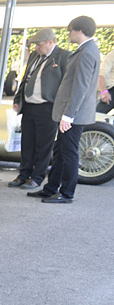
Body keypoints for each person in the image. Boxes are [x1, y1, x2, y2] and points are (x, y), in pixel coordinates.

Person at [30, 16, 102, 204]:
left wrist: (68, 115)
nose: (68, 34)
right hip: (71, 113)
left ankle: (67, 193)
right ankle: (51, 188)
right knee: (60, 151)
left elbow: (80, 87)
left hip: (74, 115)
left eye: (70, 30)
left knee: (69, 153)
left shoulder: (86, 52)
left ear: (79, 31)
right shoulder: (85, 50)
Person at [7, 28, 70, 190]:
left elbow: (66, 83)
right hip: (29, 106)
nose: (36, 48)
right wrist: (18, 99)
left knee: (44, 145)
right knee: (27, 142)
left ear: (51, 43)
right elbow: (26, 78)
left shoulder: (63, 56)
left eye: (39, 45)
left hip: (48, 107)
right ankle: (23, 174)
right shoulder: (35, 56)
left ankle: (37, 177)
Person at [97, 47, 114, 114]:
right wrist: (104, 92)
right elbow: (101, 75)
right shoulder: (112, 55)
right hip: (111, 91)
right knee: (96, 116)